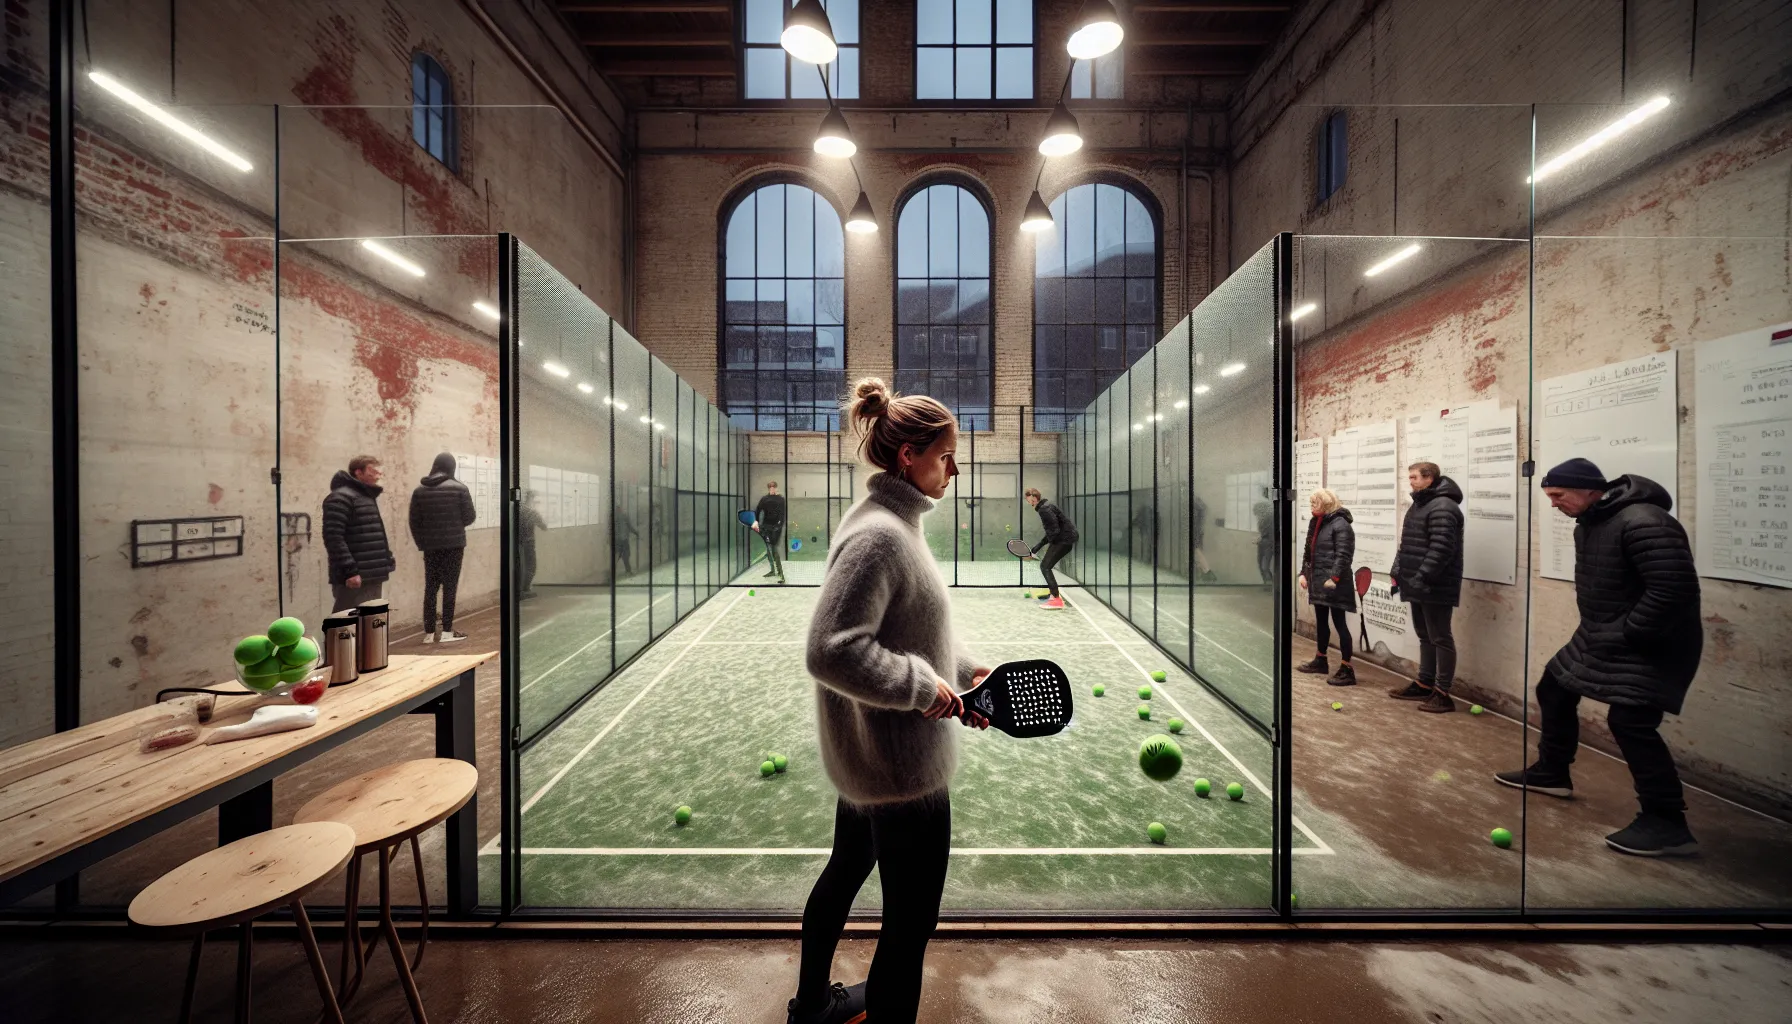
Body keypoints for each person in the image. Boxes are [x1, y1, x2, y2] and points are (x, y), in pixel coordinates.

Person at [795, 377, 990, 1024]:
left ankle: (811, 1006)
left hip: (870, 757)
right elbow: (831, 649)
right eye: (946, 456)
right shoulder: (881, 535)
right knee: (910, 924)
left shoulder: (889, 522)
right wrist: (922, 687)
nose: (954, 470)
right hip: (899, 770)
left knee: (847, 866)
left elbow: (905, 628)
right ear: (909, 456)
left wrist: (963, 669)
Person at [1497, 459, 1702, 857]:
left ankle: (1667, 822)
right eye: (1549, 496)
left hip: (1652, 642)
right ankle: (1552, 772)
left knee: (1631, 722)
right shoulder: (1590, 522)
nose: (1554, 503)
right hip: (1602, 633)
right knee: (1554, 688)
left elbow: (1672, 590)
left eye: (1559, 495)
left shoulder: (1645, 522)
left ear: (1591, 490)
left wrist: (1631, 630)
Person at [1387, 461, 1464, 713]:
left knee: (1440, 637)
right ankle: (1424, 683)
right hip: (1417, 583)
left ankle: (1442, 693)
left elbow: (1441, 549)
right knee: (1424, 635)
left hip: (1435, 585)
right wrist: (1398, 570)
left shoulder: (1444, 506)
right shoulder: (1420, 504)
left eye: (1414, 477)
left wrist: (1422, 577)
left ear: (1429, 478)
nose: (1410, 481)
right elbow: (1407, 543)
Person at [409, 452, 476, 643]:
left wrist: (422, 543)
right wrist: (454, 524)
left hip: (430, 547)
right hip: (454, 546)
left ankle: (429, 633)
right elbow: (470, 517)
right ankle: (447, 631)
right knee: (450, 588)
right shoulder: (460, 489)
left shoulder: (419, 491)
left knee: (431, 588)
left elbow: (414, 521)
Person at [1297, 488, 1357, 686]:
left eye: (1315, 503)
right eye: (1311, 503)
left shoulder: (1341, 524)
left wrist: (1334, 578)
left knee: (1340, 624)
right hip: (1318, 581)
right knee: (1321, 622)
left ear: (1327, 503)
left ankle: (1347, 669)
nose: (1312, 506)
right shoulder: (1316, 522)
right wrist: (1303, 573)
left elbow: (1344, 555)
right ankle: (1320, 660)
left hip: (1336, 584)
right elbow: (1308, 551)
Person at [322, 455, 395, 614]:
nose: (377, 475)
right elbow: (334, 538)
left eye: (378, 471)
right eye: (372, 471)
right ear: (358, 472)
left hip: (371, 573)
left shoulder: (366, 497)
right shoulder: (340, 497)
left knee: (369, 621)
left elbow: (371, 533)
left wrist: (386, 559)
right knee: (345, 621)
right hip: (354, 576)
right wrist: (350, 571)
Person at [1025, 488, 1078, 610]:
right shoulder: (1047, 506)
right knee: (1046, 565)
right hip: (1065, 539)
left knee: (1045, 566)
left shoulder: (1044, 509)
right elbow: (1053, 530)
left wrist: (1038, 548)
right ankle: (1052, 594)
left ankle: (1056, 599)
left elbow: (1054, 531)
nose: (1029, 503)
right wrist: (1036, 549)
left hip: (1064, 540)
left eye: (1030, 500)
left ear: (1034, 498)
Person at [754, 480, 788, 583]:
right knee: (768, 549)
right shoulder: (765, 499)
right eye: (770, 487)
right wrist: (756, 522)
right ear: (769, 488)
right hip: (766, 526)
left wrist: (779, 525)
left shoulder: (781, 499)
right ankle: (773, 570)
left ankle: (781, 574)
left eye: (774, 487)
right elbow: (758, 510)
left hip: (776, 527)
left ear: (776, 488)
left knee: (774, 549)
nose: (772, 489)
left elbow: (783, 514)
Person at [518, 490, 546, 600]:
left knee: (520, 565)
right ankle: (525, 589)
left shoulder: (519, 510)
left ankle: (520, 589)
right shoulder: (532, 512)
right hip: (528, 542)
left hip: (518, 542)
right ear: (532, 499)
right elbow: (543, 526)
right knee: (531, 565)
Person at [1192, 494, 1217, 583]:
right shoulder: (1201, 505)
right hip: (1199, 531)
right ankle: (1203, 572)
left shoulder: (1195, 504)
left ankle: (1207, 572)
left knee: (1197, 551)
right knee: (1198, 551)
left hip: (1195, 532)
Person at [1255, 486, 1276, 585]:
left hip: (1269, 542)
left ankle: (1269, 585)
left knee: (1264, 566)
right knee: (1260, 564)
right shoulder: (1262, 516)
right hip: (1263, 541)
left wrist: (1270, 542)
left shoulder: (1270, 513)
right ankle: (1267, 583)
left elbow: (1271, 531)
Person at [615, 503, 639, 576]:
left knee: (618, 555)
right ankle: (628, 571)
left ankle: (614, 572)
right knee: (626, 556)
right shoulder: (624, 516)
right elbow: (630, 527)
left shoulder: (614, 517)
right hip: (623, 539)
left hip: (617, 540)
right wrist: (636, 533)